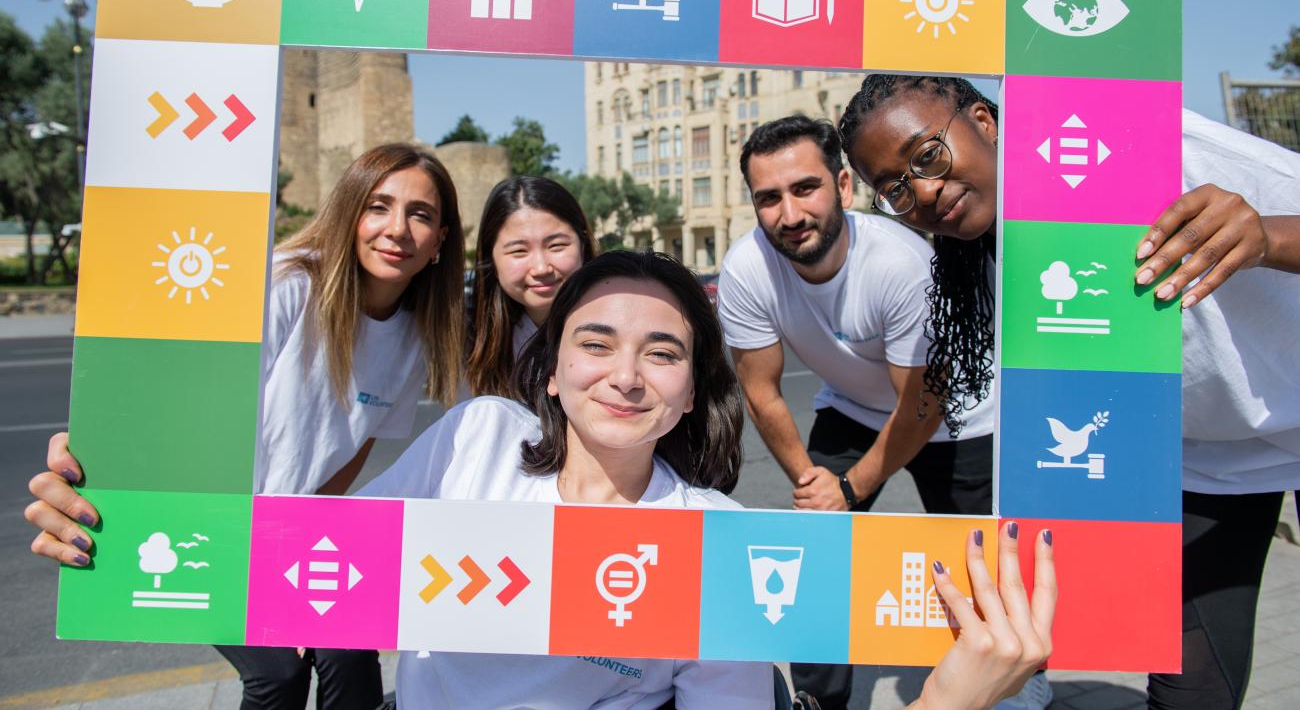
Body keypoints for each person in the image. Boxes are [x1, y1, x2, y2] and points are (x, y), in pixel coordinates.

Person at [28, 250, 1057, 710]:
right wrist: (117, 513)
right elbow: (305, 563)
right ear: (552, 371)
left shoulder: (713, 534)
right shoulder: (473, 437)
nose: (623, 372)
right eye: (595, 342)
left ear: (694, 391)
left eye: (661, 353)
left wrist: (949, 704)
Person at [837, 74, 1300, 710]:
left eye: (927, 155)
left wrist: (1268, 236)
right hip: (1209, 461)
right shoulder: (979, 254)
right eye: (893, 188)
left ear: (986, 121)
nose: (920, 189)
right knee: (1192, 693)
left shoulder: (1150, 148)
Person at [32, 142, 467, 710]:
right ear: (348, 215)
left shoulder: (417, 334)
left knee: (351, 643)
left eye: (421, 214)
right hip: (207, 516)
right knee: (279, 674)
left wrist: (307, 541)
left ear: (439, 243)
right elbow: (187, 408)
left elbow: (356, 444)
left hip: (284, 531)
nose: (398, 229)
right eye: (378, 206)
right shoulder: (289, 286)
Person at [717, 116, 1045, 710]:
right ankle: (817, 700)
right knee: (815, 547)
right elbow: (761, 392)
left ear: (843, 186)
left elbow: (923, 406)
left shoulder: (901, 264)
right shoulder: (746, 268)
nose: (789, 215)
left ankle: (1014, 680)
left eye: (804, 189)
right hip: (852, 406)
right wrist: (814, 484)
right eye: (769, 198)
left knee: (978, 566)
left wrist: (851, 486)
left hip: (959, 415)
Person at [465, 175, 596, 397]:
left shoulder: (624, 316)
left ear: (583, 245)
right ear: (491, 258)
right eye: (519, 251)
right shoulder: (465, 327)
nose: (541, 268)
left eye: (556, 246)